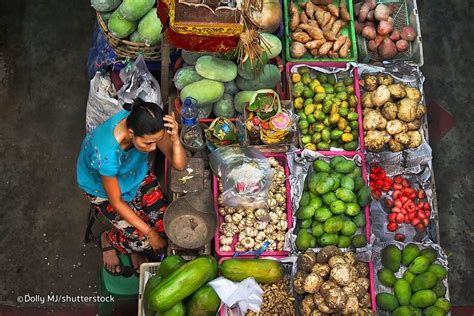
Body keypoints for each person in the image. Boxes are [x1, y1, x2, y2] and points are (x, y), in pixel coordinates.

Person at [76, 99, 187, 275]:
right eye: (147, 144)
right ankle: (110, 239)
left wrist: (174, 140)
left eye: (156, 142)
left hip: (134, 173)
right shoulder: (106, 154)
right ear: (131, 133)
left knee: (165, 224)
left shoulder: (149, 125)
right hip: (103, 188)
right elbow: (116, 201)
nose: (152, 148)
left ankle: (135, 246)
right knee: (145, 241)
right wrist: (150, 234)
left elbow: (179, 164)